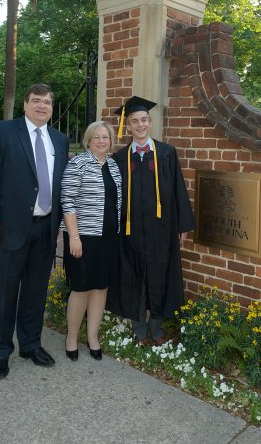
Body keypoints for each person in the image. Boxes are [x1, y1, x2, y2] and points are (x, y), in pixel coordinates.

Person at [0, 84, 69, 379]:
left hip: (45, 229)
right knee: (4, 292)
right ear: (26, 105)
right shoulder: (2, 132)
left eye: (47, 102)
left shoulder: (59, 140)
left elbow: (60, 184)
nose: (42, 106)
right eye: (36, 101)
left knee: (35, 291)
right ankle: (1, 351)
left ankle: (30, 344)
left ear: (52, 109)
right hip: (10, 228)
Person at [107, 96, 195, 345]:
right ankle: (139, 327)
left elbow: (178, 189)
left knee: (160, 274)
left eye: (144, 119)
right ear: (128, 126)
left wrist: (183, 225)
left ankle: (156, 326)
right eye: (134, 121)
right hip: (129, 229)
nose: (140, 125)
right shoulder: (119, 159)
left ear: (150, 122)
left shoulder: (166, 153)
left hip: (161, 230)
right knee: (132, 274)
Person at [60, 121, 122, 361]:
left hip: (108, 237)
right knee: (81, 288)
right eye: (96, 137)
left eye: (105, 137)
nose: (101, 141)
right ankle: (72, 337)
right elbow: (67, 201)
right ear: (88, 140)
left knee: (100, 287)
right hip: (83, 237)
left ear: (110, 141)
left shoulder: (114, 166)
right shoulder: (77, 164)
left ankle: (93, 337)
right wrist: (74, 237)